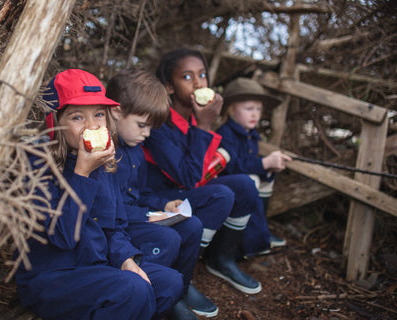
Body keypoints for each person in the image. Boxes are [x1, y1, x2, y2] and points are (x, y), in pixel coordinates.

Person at [14, 69, 183, 320]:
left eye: (99, 114)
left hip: (96, 265)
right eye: (78, 117)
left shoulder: (104, 163)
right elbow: (63, 237)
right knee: (133, 290)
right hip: (53, 275)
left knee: (170, 282)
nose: (92, 125)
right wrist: (82, 173)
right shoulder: (37, 164)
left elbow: (114, 227)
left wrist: (125, 260)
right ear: (54, 122)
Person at [143, 47, 263, 294]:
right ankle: (183, 272)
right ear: (169, 87)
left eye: (202, 76)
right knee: (222, 195)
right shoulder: (159, 125)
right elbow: (187, 177)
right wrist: (206, 125)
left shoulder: (195, 119)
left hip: (186, 190)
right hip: (160, 199)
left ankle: (221, 259)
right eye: (187, 77)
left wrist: (203, 124)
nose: (198, 83)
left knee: (245, 185)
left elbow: (200, 172)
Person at [106, 67, 218, 319]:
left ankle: (178, 291)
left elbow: (140, 191)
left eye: (150, 128)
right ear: (116, 111)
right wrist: (147, 215)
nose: (146, 134)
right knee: (168, 239)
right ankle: (155, 295)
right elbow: (109, 210)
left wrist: (163, 204)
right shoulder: (106, 153)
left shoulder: (135, 148)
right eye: (142, 125)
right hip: (117, 226)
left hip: (134, 216)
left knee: (191, 225)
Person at [217, 77, 292, 257]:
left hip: (241, 181)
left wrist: (269, 166)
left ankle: (261, 233)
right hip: (224, 183)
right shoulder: (225, 134)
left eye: (258, 109)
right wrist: (264, 163)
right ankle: (249, 243)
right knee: (253, 180)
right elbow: (232, 166)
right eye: (249, 109)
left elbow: (248, 162)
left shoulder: (250, 135)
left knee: (266, 179)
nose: (255, 114)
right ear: (232, 110)